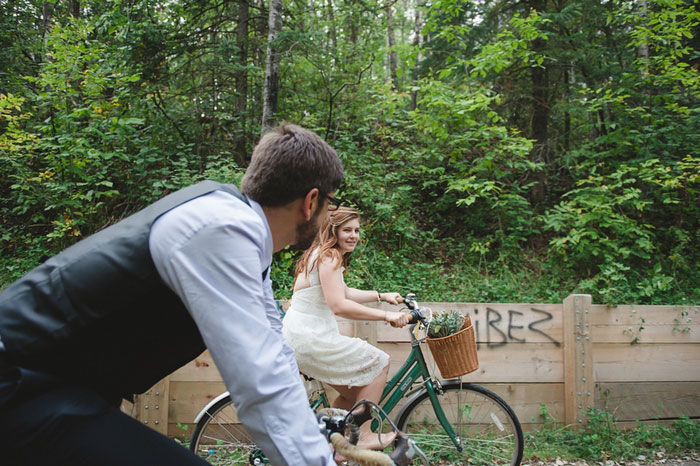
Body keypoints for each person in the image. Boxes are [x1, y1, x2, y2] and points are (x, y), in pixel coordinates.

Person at [0, 123, 344, 466]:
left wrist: (311, 438)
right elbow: (260, 378)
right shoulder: (223, 229)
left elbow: (275, 349)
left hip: (60, 387)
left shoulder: (246, 240)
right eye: (330, 204)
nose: (329, 215)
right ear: (311, 201)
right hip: (21, 381)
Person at [282, 207, 409, 451]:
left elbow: (344, 291)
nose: (353, 236)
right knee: (379, 361)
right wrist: (386, 316)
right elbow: (339, 305)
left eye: (357, 230)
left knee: (354, 393)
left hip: (301, 336)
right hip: (310, 337)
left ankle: (330, 446)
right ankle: (360, 434)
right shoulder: (330, 256)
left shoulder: (322, 255)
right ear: (334, 231)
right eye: (347, 230)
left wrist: (381, 295)